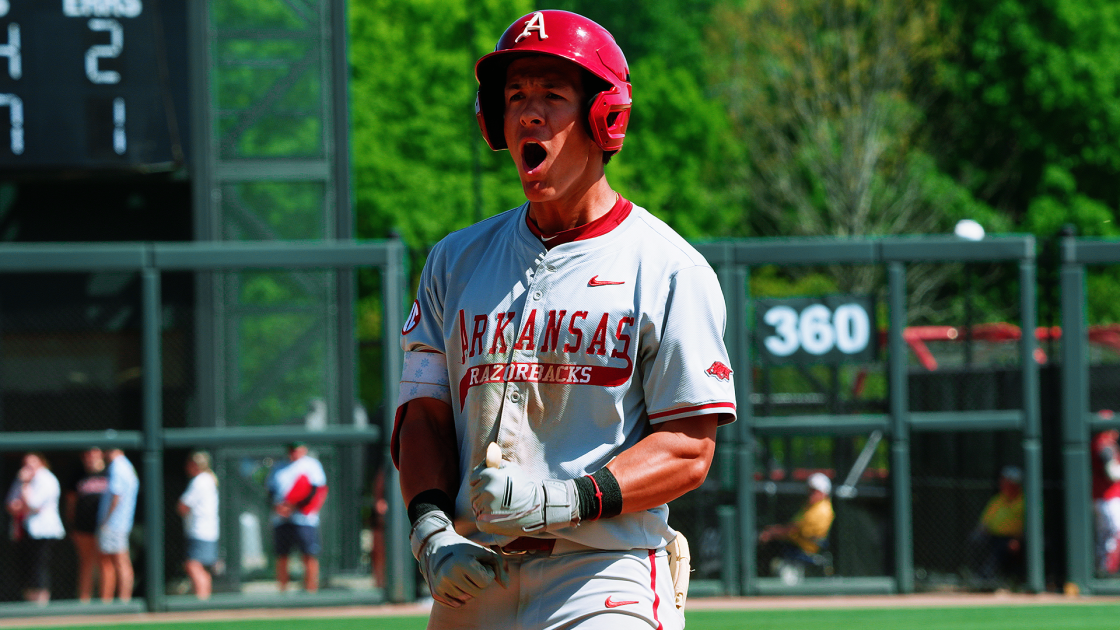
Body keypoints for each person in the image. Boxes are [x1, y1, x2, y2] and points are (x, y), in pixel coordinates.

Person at [392, 10, 736, 629]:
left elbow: (688, 449)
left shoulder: (667, 267)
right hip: (473, 573)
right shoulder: (455, 260)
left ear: (605, 116)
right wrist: (431, 531)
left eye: (552, 95)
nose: (529, 113)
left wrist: (562, 500)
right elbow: (424, 414)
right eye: (515, 96)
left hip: (603, 572)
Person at [267, 442, 328, 592]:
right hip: (282, 519)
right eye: (291, 449)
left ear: (304, 449)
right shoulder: (278, 467)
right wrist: (279, 507)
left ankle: (311, 591)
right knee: (282, 556)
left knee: (309, 555)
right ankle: (283, 592)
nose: (294, 452)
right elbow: (270, 492)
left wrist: (292, 506)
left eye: (296, 449)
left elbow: (315, 491)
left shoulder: (312, 465)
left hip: (305, 519)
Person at [5, 452, 65, 604]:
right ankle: (29, 606)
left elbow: (33, 504)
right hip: (23, 530)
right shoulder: (21, 478)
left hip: (43, 532)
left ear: (41, 463)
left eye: (32, 462)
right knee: (26, 569)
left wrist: (25, 486)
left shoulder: (47, 479)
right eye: (26, 463)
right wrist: (21, 500)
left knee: (39, 569)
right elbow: (10, 504)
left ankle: (40, 606)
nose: (28, 466)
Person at [758, 472, 835, 583]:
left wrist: (772, 533)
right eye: (810, 490)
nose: (811, 493)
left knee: (770, 548)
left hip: (804, 549)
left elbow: (793, 530)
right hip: (795, 544)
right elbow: (793, 526)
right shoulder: (811, 507)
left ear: (824, 492)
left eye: (815, 490)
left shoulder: (821, 510)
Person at [64, 447, 108, 603]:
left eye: (94, 453)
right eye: (87, 454)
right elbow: (71, 502)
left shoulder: (110, 473)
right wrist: (72, 524)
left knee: (105, 563)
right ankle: (84, 599)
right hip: (83, 526)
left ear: (101, 454)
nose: (90, 456)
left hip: (105, 526)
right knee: (86, 562)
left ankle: (106, 601)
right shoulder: (78, 474)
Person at [968, 465, 1024, 583]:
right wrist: (981, 531)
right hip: (994, 536)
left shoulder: (1025, 501)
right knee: (976, 539)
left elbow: (1030, 527)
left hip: (1016, 538)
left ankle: (986, 578)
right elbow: (985, 521)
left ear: (1015, 484)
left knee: (1002, 546)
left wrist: (1017, 540)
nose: (1002, 483)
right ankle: (977, 575)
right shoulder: (997, 500)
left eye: (1006, 481)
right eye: (1002, 480)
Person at [97, 448, 139, 603]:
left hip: (114, 523)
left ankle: (119, 601)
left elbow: (116, 495)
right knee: (116, 561)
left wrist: (106, 520)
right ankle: (117, 600)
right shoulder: (126, 465)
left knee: (116, 561)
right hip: (119, 523)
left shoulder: (118, 466)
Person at [177, 451, 220, 600]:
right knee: (201, 568)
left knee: (192, 565)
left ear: (196, 465)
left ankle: (202, 600)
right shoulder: (208, 479)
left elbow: (183, 506)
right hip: (207, 530)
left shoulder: (200, 481)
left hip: (199, 530)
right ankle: (204, 601)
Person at [1092, 430, 1120, 574]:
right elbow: (1112, 473)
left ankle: (1105, 569)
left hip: (1106, 497)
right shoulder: (1102, 443)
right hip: (1107, 498)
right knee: (1114, 533)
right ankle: (1107, 569)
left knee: (1105, 535)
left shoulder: (1106, 442)